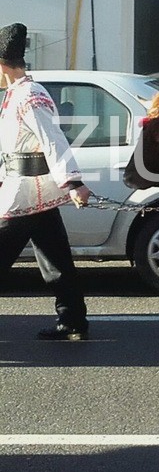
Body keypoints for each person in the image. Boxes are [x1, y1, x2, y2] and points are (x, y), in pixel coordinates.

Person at [0, 23, 92, 340]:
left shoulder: (29, 95)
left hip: (25, 194)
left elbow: (52, 141)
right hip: (33, 192)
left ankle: (72, 319)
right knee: (55, 259)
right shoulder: (16, 94)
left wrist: (73, 182)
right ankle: (72, 320)